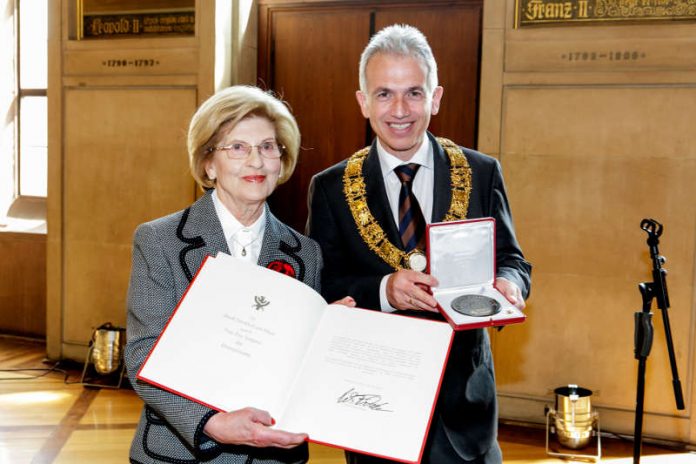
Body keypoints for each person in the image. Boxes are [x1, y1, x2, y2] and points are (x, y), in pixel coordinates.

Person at [307, 25, 531, 464]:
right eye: (384, 94)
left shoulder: (482, 172)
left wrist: (509, 284)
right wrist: (384, 290)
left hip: (465, 410)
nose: (400, 110)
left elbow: (512, 260)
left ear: (436, 97)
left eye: (414, 92)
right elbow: (322, 285)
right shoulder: (330, 188)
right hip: (373, 402)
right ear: (363, 101)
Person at [125, 85, 352, 464]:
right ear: (209, 163)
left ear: (283, 159)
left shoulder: (305, 253)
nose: (257, 162)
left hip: (274, 457)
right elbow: (142, 355)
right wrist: (211, 423)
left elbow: (295, 368)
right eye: (238, 147)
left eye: (267, 147)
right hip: (181, 452)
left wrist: (329, 338)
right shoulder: (159, 240)